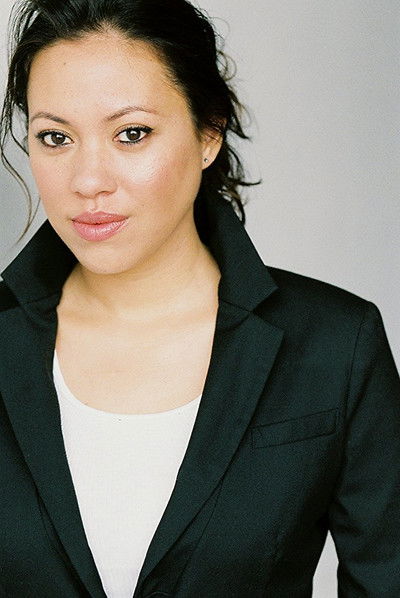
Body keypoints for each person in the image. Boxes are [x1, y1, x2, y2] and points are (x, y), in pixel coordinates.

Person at [0, 0, 399, 596]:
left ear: (209, 132)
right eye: (55, 138)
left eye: (131, 134)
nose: (88, 181)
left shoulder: (335, 344)